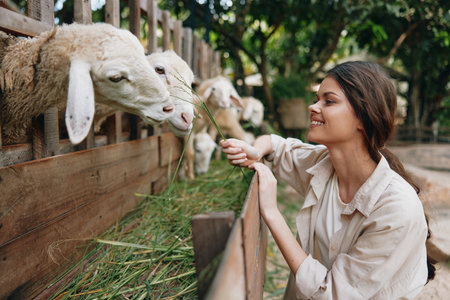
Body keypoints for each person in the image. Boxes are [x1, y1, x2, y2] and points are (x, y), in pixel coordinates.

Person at [220, 61, 435, 299]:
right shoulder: (324, 164)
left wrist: (271, 212)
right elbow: (276, 144)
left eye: (329, 101)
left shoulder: (396, 208)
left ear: (363, 118)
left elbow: (331, 293)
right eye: (316, 98)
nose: (313, 107)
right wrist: (254, 150)